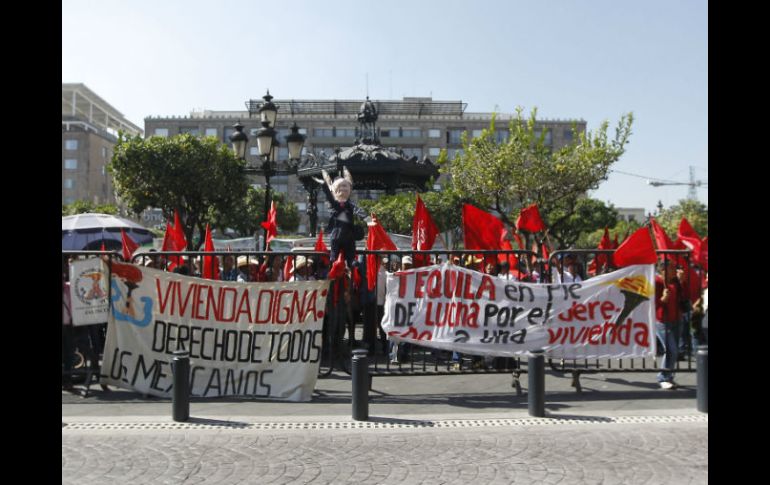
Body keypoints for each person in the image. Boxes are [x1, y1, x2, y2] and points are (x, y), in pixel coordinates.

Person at [313, 166, 372, 268]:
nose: (343, 189)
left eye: (345, 187)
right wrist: (324, 185)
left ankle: (351, 265)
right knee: (334, 256)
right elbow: (329, 196)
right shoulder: (334, 204)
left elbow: (358, 210)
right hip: (337, 235)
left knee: (351, 256)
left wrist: (367, 219)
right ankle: (334, 266)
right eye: (340, 187)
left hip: (348, 236)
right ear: (335, 190)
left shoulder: (350, 204)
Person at [655, 262, 681, 389]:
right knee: (671, 349)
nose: (674, 271)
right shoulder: (657, 282)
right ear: (663, 270)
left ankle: (669, 376)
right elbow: (652, 304)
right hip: (662, 321)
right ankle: (663, 377)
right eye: (671, 268)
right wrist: (662, 299)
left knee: (673, 351)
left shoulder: (674, 282)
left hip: (675, 319)